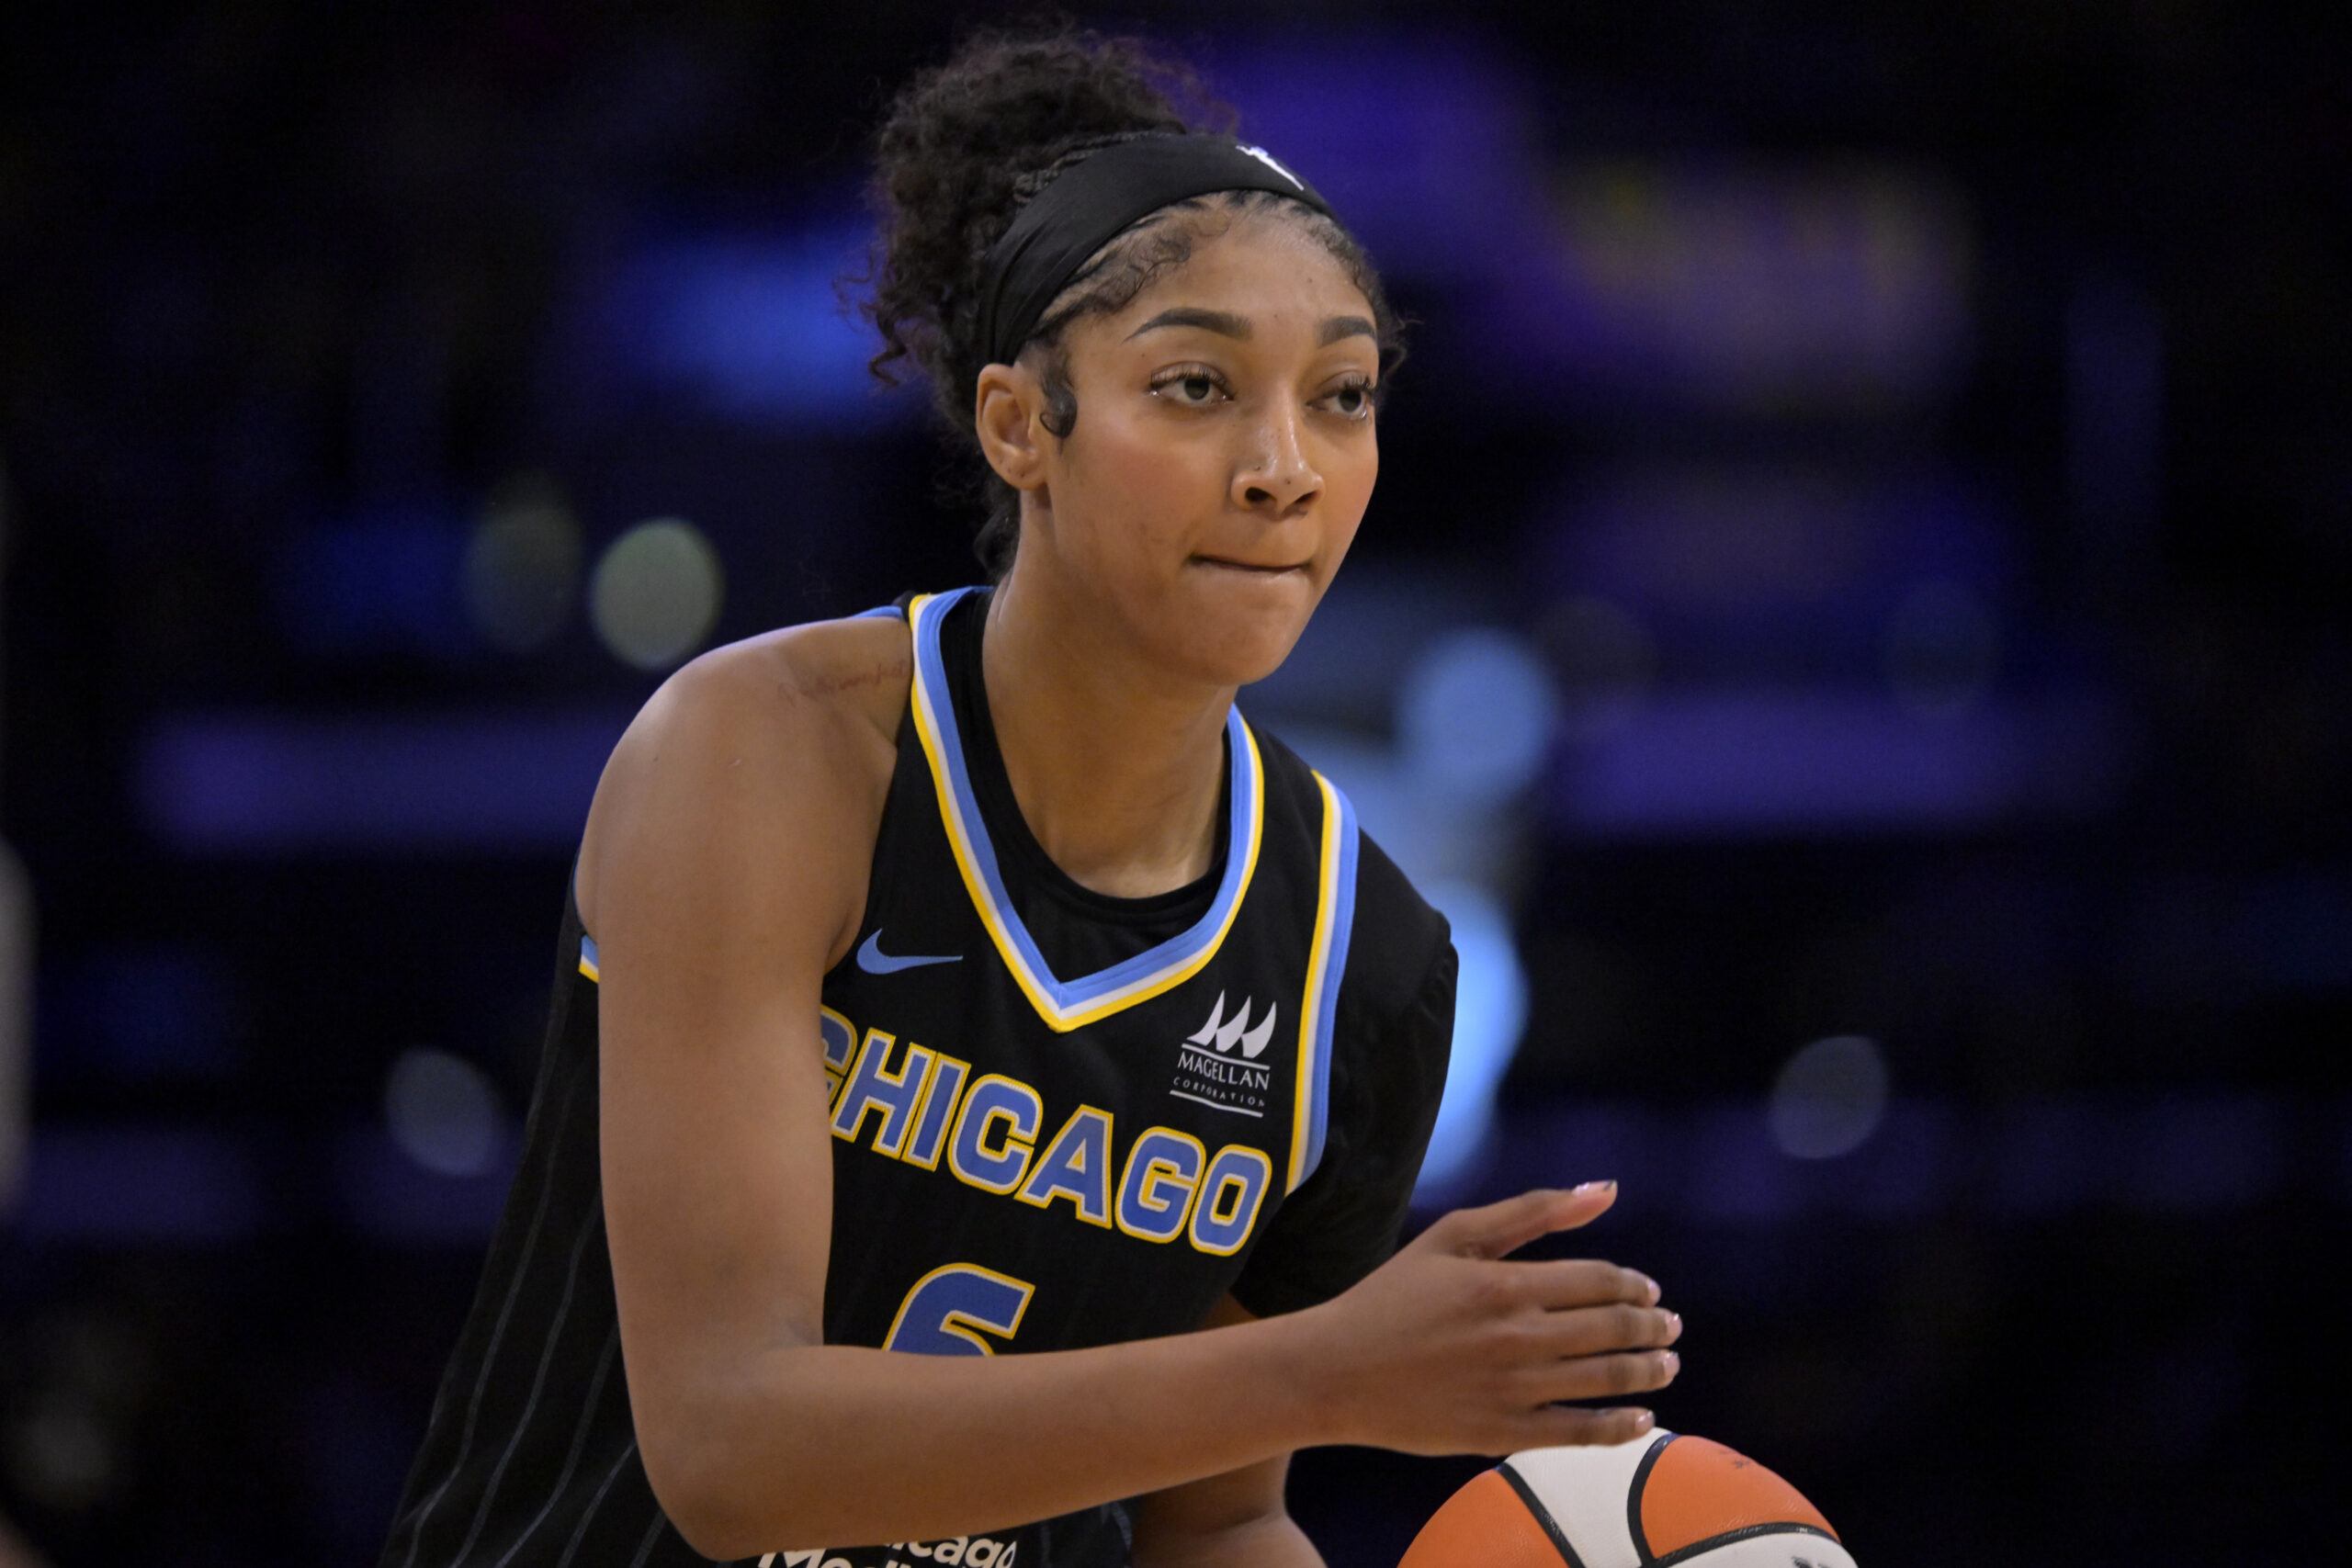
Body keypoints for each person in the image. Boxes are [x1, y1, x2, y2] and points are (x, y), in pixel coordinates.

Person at [380, 29, 1681, 1568]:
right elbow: (730, 1448)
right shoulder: (763, 757)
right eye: (1196, 386)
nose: (1284, 467)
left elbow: (1216, 1526)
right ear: (1020, 427)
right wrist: (1336, 1372)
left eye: (1340, 396)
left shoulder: (1365, 961)